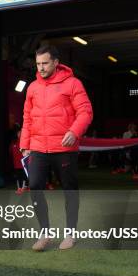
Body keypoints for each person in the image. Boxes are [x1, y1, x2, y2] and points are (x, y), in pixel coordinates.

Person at [20, 45, 93, 251]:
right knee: (34, 186)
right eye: (38, 64)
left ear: (55, 62)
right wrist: (25, 144)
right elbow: (27, 117)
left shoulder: (73, 84)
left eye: (45, 63)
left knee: (69, 190)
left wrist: (74, 132)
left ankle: (70, 234)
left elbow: (86, 112)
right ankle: (45, 233)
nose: (41, 68)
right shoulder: (32, 87)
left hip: (64, 148)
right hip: (38, 148)